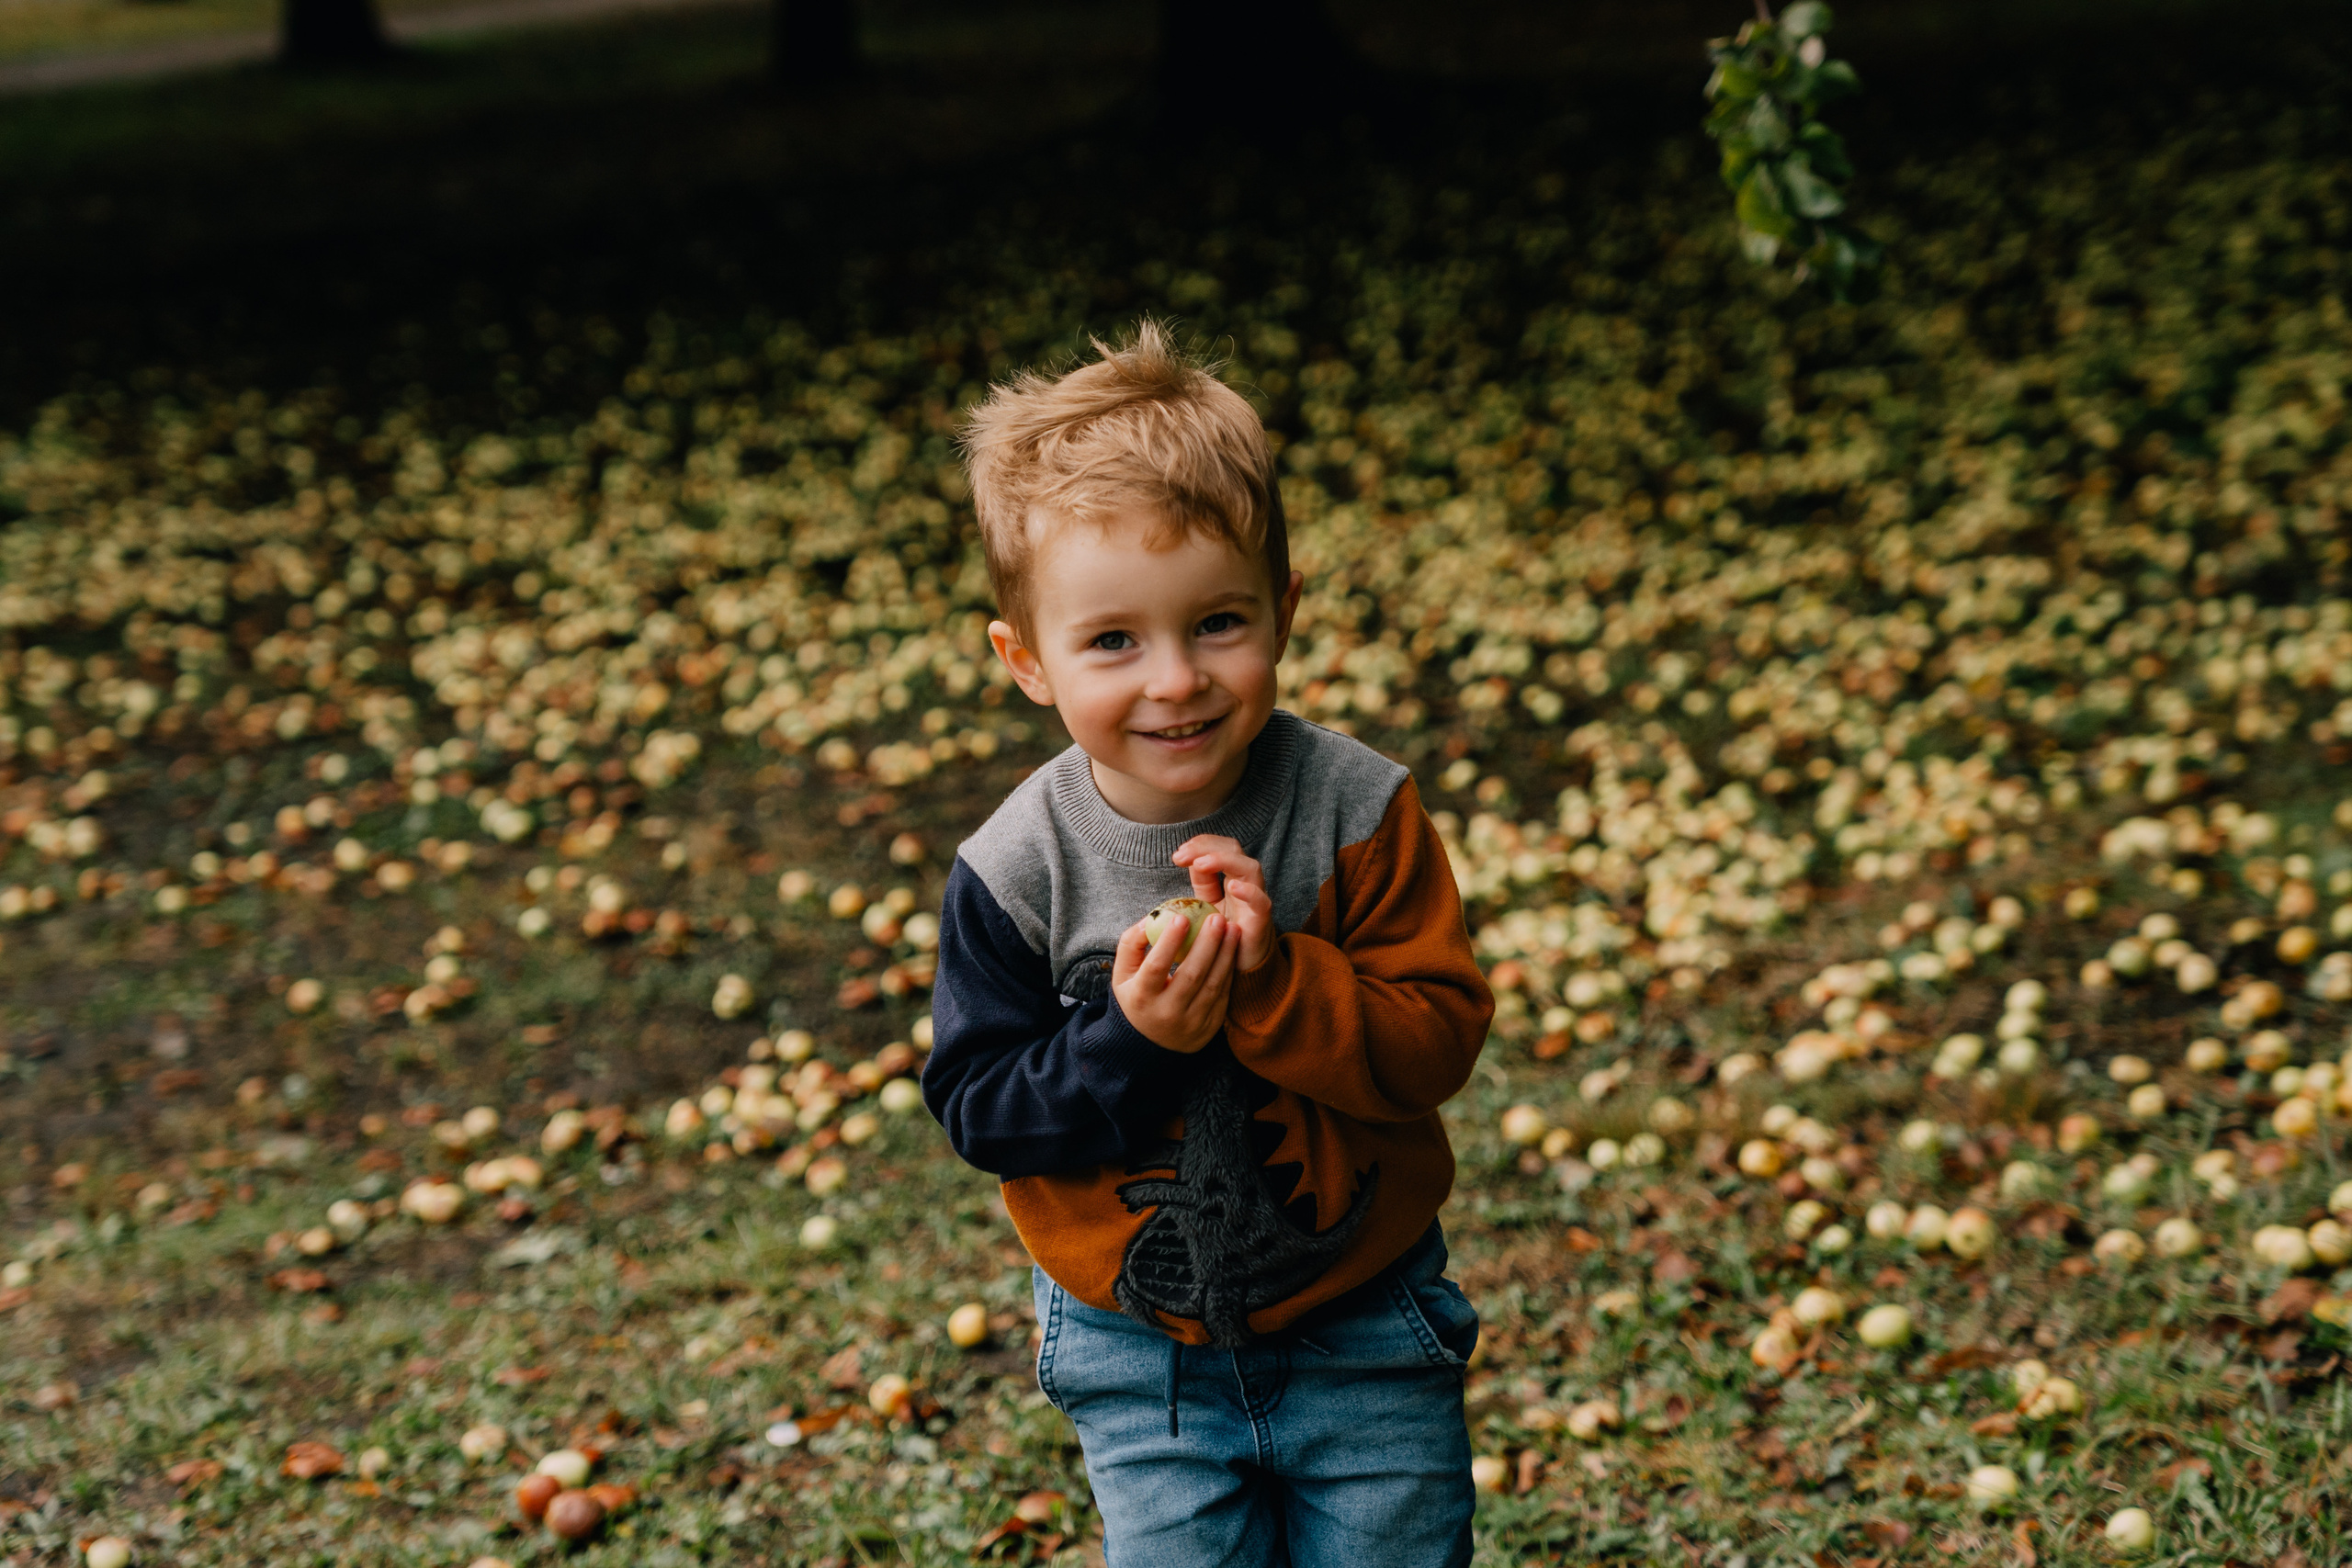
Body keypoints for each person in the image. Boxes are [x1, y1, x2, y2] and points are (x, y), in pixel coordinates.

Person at [921, 320, 1495, 1567]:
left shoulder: (1357, 814)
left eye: (1219, 623)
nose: (1175, 679)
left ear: (1283, 611)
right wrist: (1131, 1040)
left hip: (1366, 1324)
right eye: (1114, 640)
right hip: (1142, 1359)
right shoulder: (1016, 871)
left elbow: (1438, 1039)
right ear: (1027, 661)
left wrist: (1280, 980)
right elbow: (981, 1110)